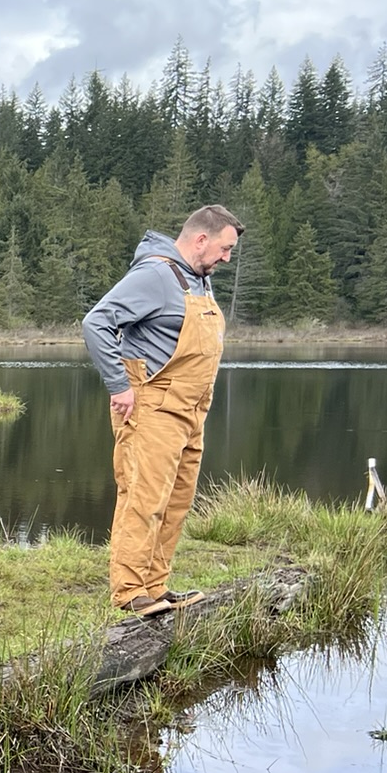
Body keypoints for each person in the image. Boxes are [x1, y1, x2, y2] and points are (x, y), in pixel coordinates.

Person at [81, 205, 242, 616]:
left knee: (175, 501)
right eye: (224, 248)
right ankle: (130, 592)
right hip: (152, 406)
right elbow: (96, 322)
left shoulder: (198, 280)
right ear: (201, 239)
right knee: (144, 498)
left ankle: (155, 587)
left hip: (191, 412)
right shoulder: (156, 274)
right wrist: (119, 386)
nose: (227, 257)